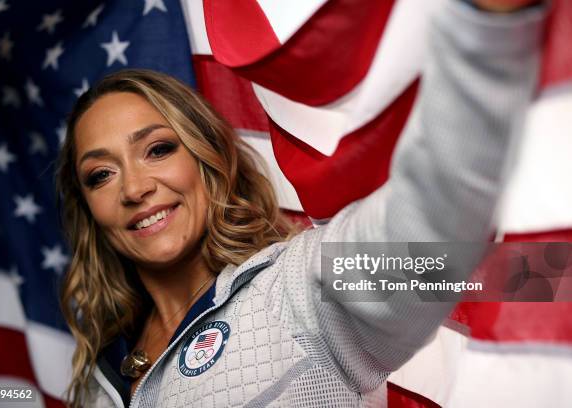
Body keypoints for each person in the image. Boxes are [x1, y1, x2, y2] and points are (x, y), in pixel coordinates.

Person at [56, 0, 545, 406]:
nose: (135, 188)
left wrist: (488, 31)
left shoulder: (302, 291)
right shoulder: (94, 382)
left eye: (158, 149)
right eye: (101, 174)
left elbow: (436, 230)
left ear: (208, 158)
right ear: (89, 211)